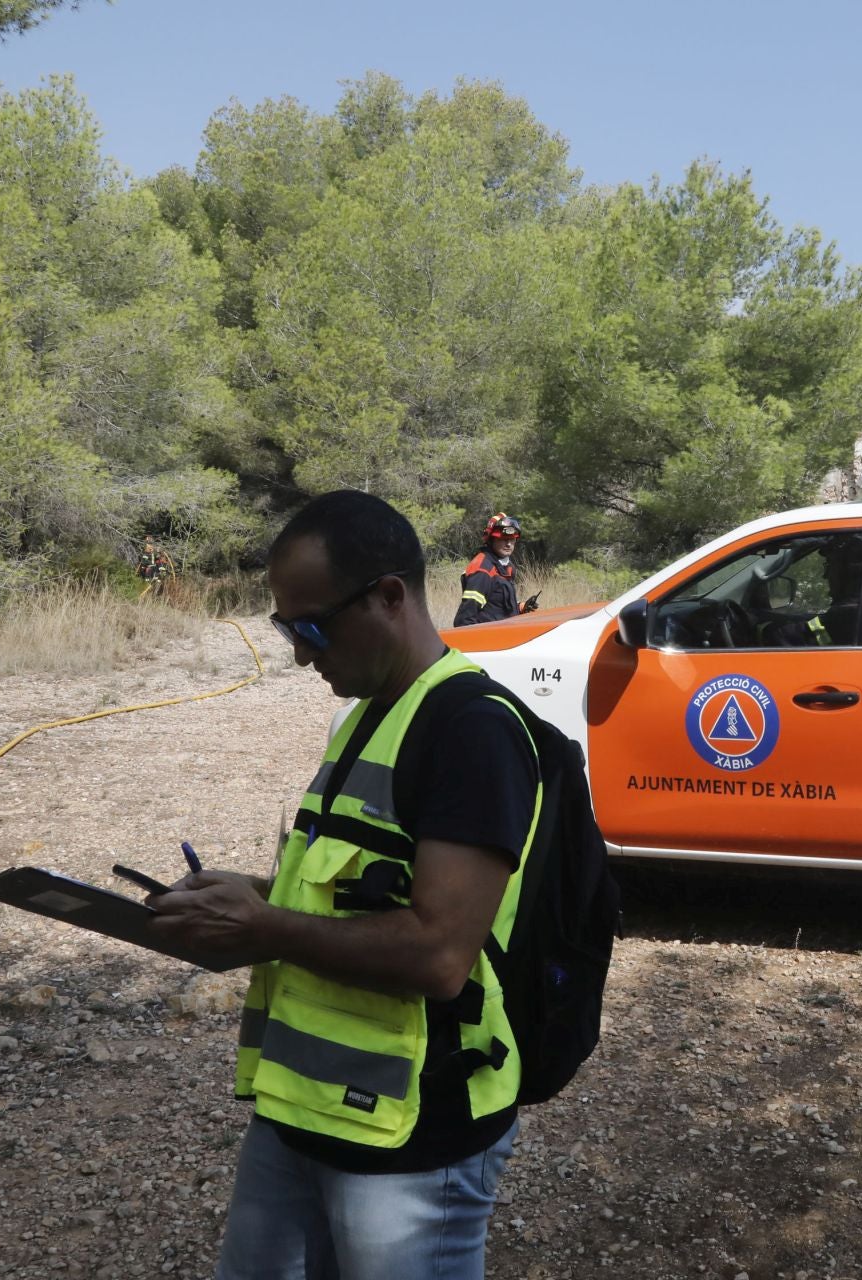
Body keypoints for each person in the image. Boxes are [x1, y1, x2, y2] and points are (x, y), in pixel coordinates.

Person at [148, 489, 542, 1280]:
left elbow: (438, 953)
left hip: (410, 1133)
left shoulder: (472, 730)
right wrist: (254, 890)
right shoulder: (367, 711)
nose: (299, 652)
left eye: (312, 627)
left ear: (389, 597)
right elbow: (360, 887)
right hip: (303, 1111)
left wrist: (262, 928)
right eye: (284, 629)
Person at [452, 513, 536, 626]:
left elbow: (496, 607)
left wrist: (521, 607)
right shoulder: (482, 569)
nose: (509, 544)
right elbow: (464, 620)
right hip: (490, 639)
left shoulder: (506, 566)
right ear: (491, 539)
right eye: (503, 539)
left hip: (506, 634)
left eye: (512, 539)